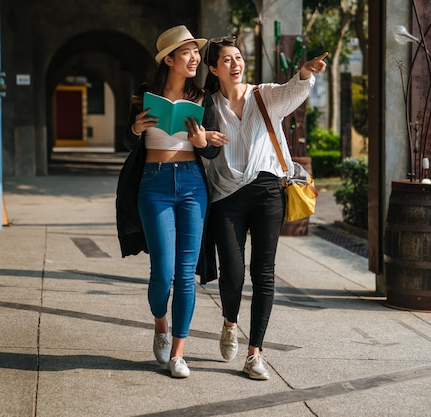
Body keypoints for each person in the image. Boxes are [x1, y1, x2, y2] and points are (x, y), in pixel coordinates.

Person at [202, 36, 327, 380]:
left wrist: (303, 73)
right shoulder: (208, 105)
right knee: (232, 272)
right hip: (225, 196)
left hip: (267, 190)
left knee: (264, 272)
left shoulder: (264, 94)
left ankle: (255, 352)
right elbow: (200, 147)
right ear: (214, 69)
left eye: (239, 58)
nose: (236, 64)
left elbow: (293, 91)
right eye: (227, 60)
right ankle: (230, 322)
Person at [119, 25, 226, 378]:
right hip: (154, 184)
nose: (195, 58)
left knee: (185, 275)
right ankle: (160, 324)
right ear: (169, 59)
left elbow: (210, 148)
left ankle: (179, 352)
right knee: (162, 272)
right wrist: (135, 129)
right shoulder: (143, 95)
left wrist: (201, 141)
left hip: (192, 186)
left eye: (196, 52)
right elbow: (127, 141)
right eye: (187, 53)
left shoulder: (203, 98)